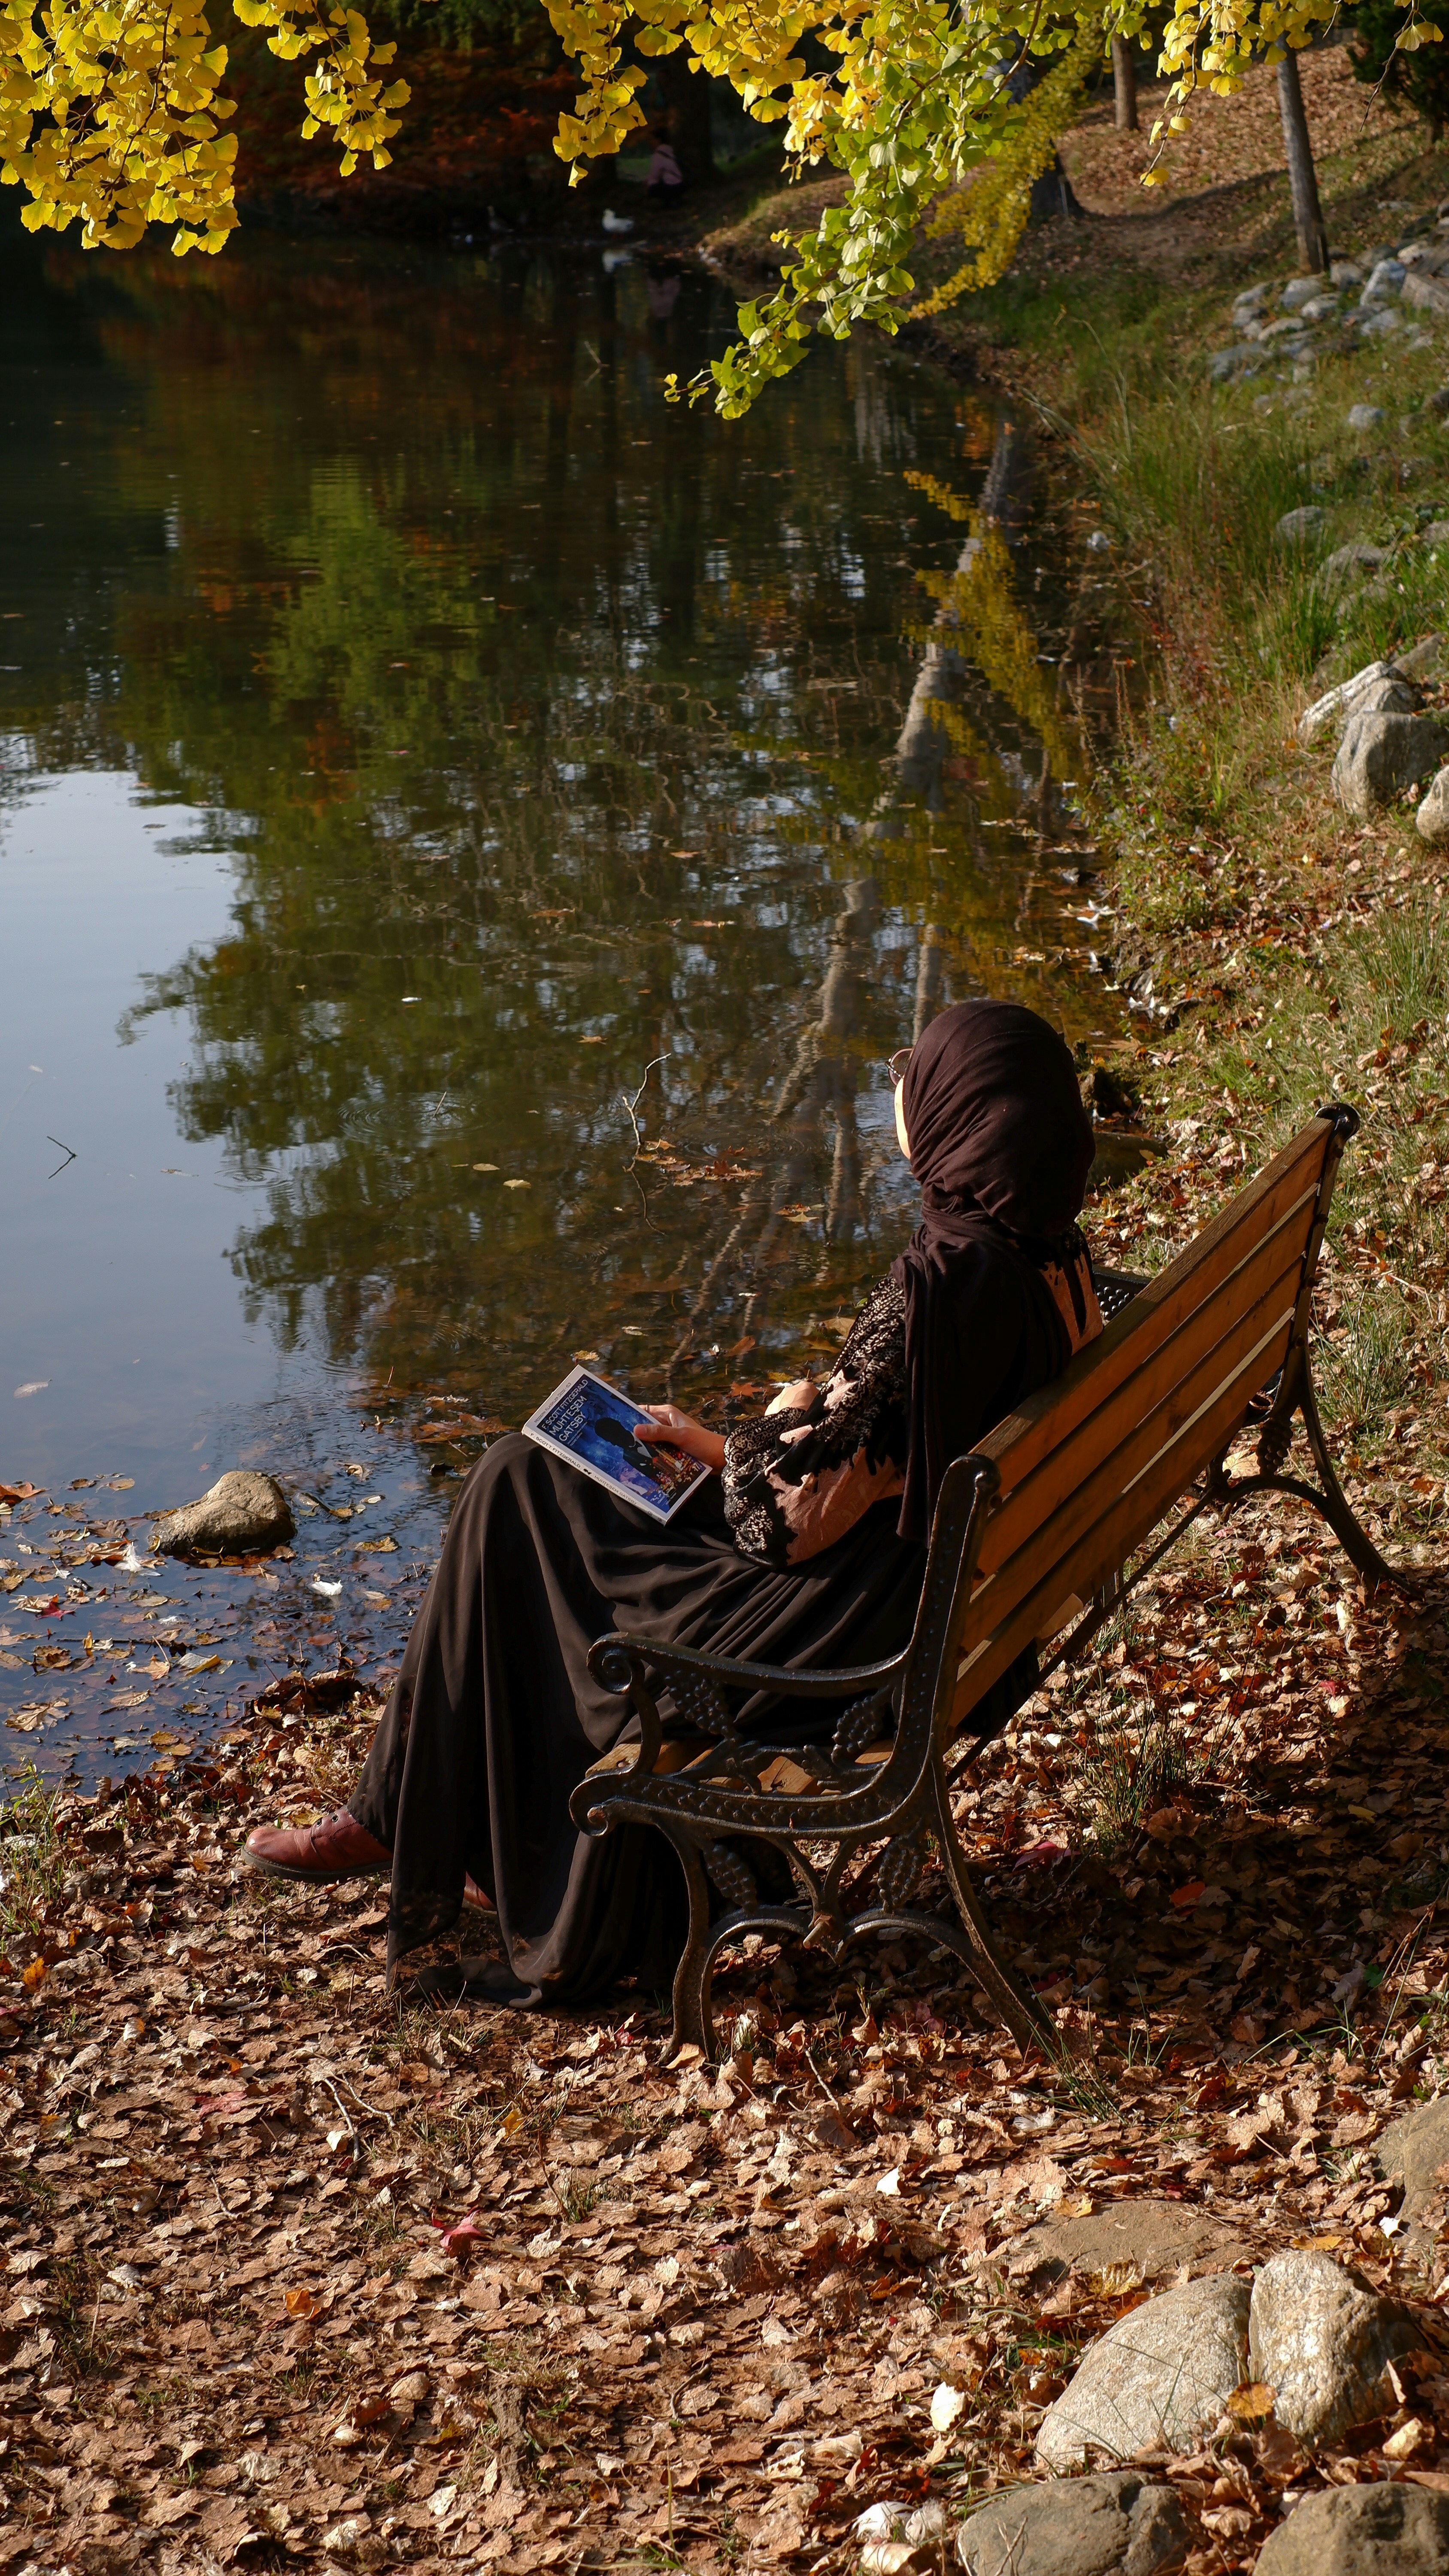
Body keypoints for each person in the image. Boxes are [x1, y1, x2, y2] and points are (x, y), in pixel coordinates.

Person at [244, 999, 1103, 2006]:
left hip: (831, 1636)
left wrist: (761, 1421)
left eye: (923, 1088)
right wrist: (748, 1439)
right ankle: (409, 1813)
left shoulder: (947, 1283)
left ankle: (413, 1821)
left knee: (517, 1485)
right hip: (915, 1596)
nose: (906, 1104)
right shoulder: (1051, 1260)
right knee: (525, 1483)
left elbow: (783, 1522)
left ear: (968, 1117)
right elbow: (883, 1457)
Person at [646, 131, 684, 205]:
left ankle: (668, 201)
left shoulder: (659, 155)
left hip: (672, 186)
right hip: (681, 183)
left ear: (658, 140)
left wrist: (648, 185)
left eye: (652, 139)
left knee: (652, 187)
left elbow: (654, 175)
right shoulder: (670, 151)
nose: (650, 142)